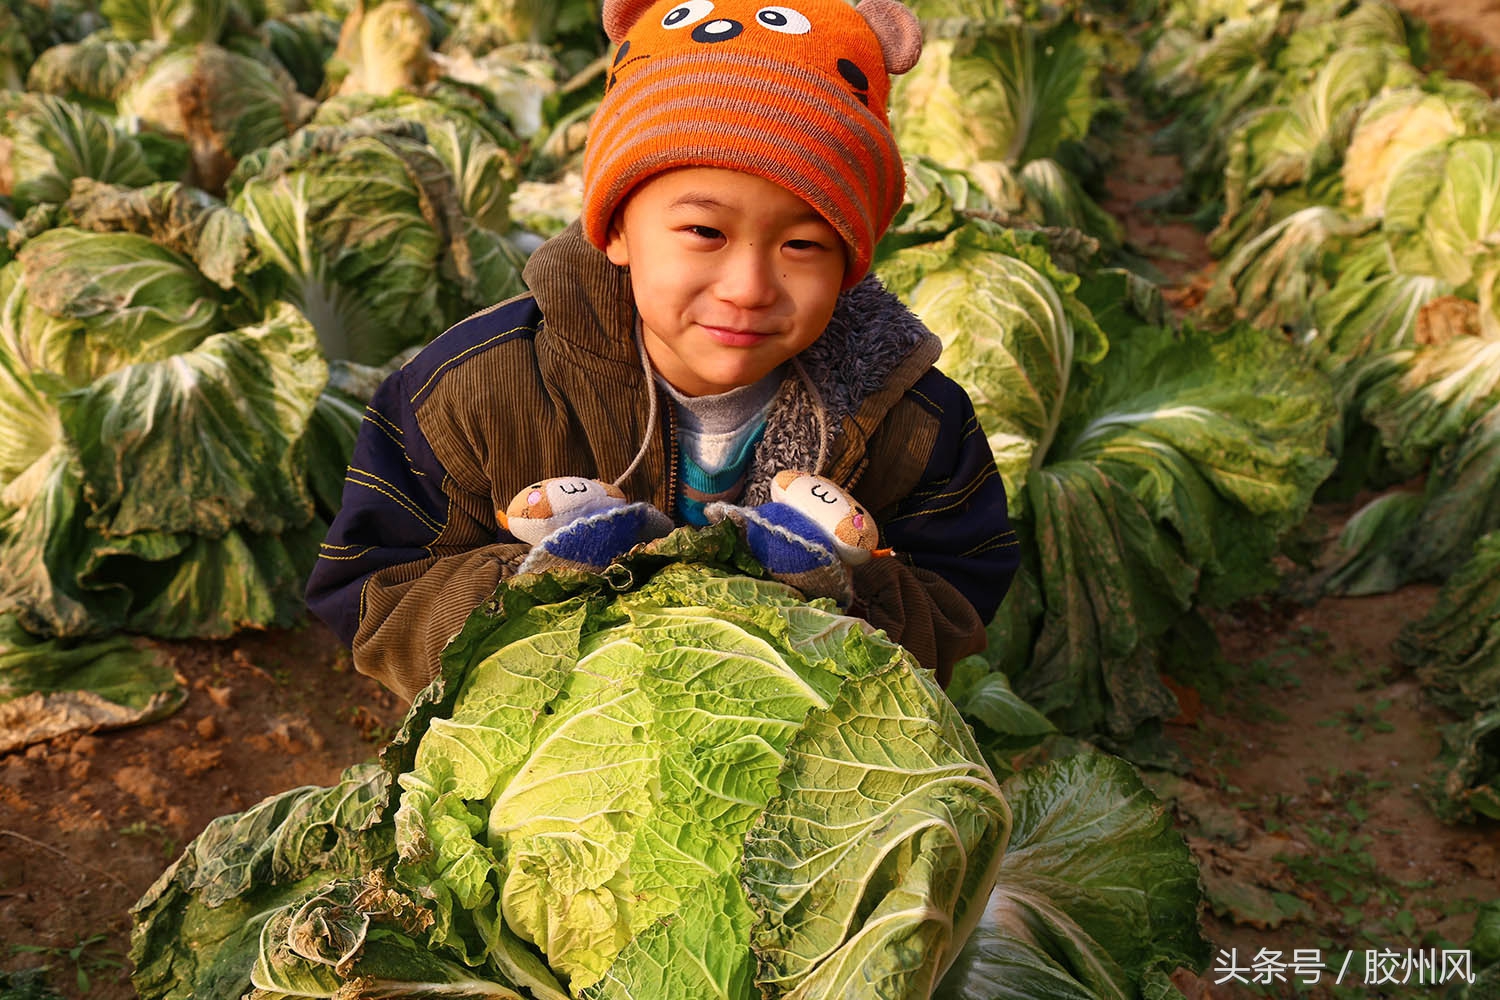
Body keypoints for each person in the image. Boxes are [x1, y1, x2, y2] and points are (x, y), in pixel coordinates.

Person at [305, 0, 1019, 702]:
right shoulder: (472, 389)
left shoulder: (915, 419)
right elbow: (371, 589)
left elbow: (961, 592)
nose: (748, 288)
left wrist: (844, 590)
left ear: (850, 264)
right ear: (615, 229)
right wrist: (532, 585)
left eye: (802, 245)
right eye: (705, 233)